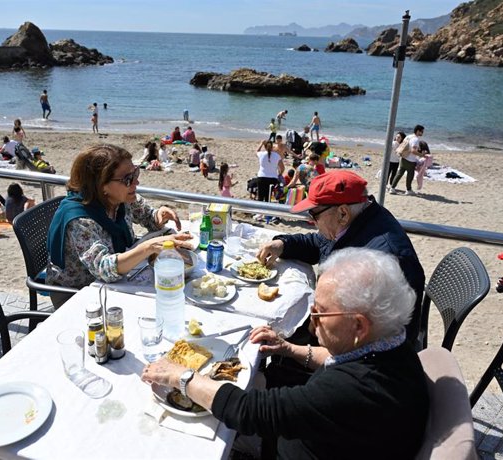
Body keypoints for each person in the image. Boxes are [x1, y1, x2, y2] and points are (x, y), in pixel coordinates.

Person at [142, 247, 429, 460]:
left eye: (320, 313)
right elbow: (334, 358)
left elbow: (251, 411)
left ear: (358, 325)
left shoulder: (354, 389)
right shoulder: (392, 344)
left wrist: (182, 376)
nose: (311, 321)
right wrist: (290, 349)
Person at [257, 171, 425, 353]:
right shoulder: (356, 220)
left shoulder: (385, 259)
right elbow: (317, 244)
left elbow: (381, 349)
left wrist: (293, 351)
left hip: (360, 356)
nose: (311, 221)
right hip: (338, 330)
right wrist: (282, 244)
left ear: (343, 213)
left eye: (314, 215)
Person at [45, 144, 192, 306]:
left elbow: (147, 216)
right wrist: (148, 247)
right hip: (76, 293)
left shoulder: (120, 198)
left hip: (112, 284)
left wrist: (159, 215)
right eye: (128, 179)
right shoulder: (79, 220)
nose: (136, 181)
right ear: (101, 185)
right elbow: (103, 268)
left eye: (135, 172)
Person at [390, 124, 425, 196]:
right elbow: (413, 151)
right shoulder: (415, 139)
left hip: (403, 157)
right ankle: (408, 190)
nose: (422, 133)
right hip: (410, 160)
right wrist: (421, 155)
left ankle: (392, 188)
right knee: (410, 175)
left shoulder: (409, 136)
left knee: (399, 174)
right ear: (418, 131)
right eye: (422, 131)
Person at [254, 140, 284, 221]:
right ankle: (266, 214)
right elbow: (282, 168)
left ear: (265, 147)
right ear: (272, 147)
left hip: (262, 177)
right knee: (268, 197)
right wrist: (279, 174)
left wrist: (261, 143)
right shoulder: (277, 156)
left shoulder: (261, 154)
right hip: (273, 178)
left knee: (260, 196)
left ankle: (259, 214)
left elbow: (256, 151)